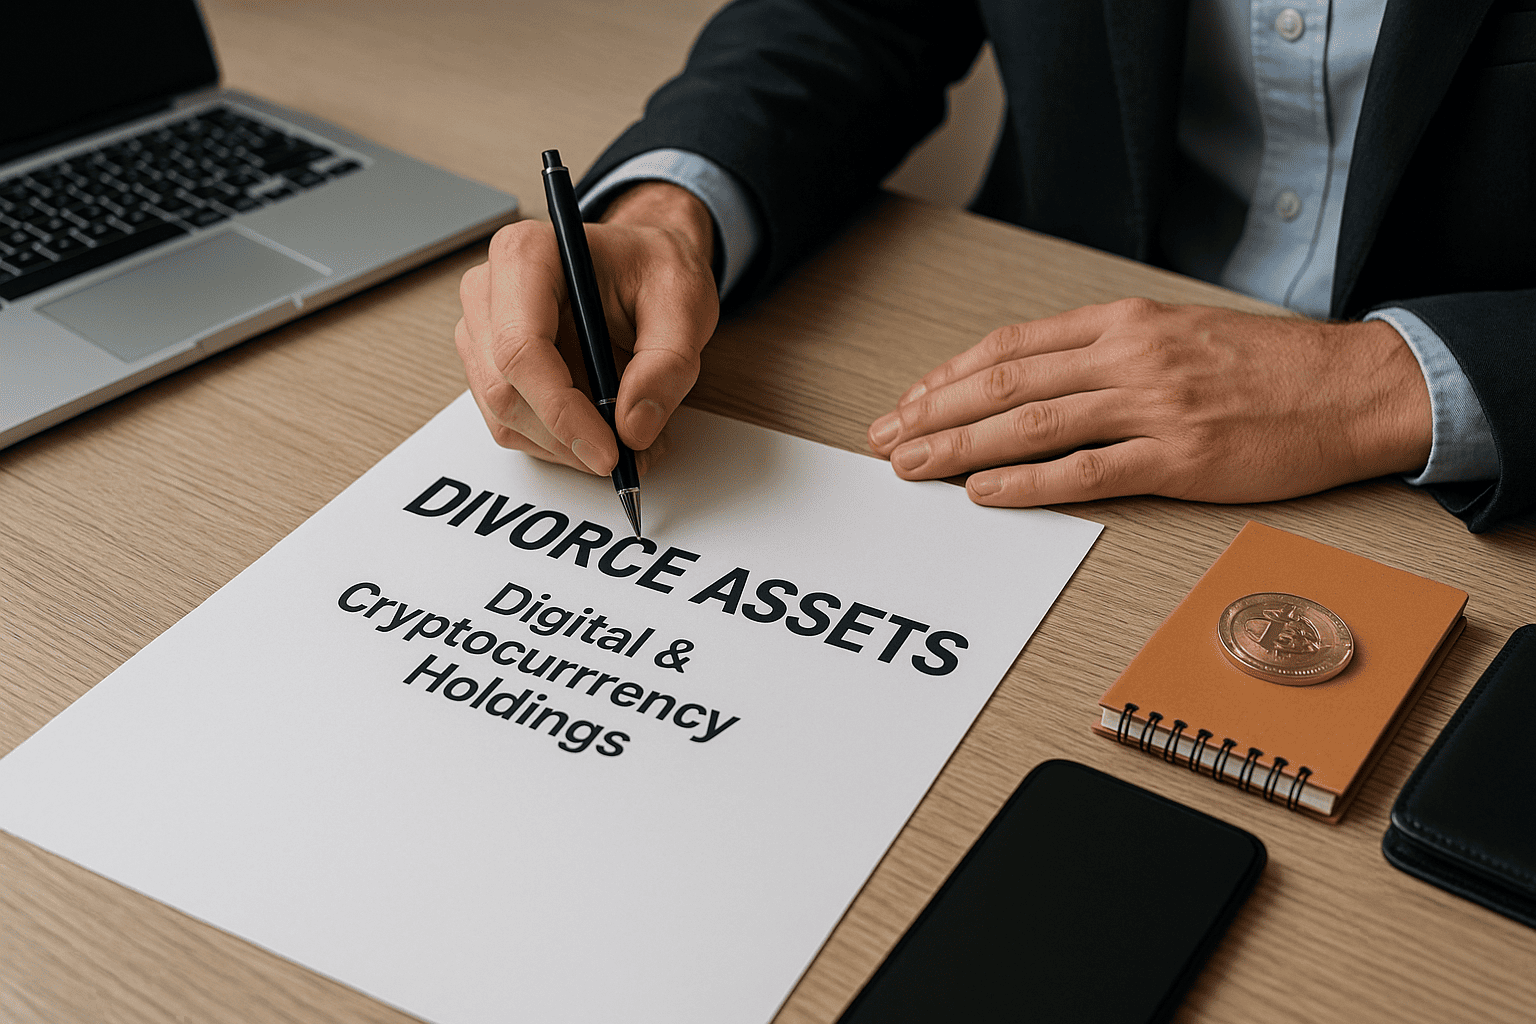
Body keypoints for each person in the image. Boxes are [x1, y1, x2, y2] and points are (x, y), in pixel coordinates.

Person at [455, 0, 1535, 532]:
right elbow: (853, 13)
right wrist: (667, 212)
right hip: (1026, 365)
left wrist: (1385, 380)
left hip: (1453, 492)